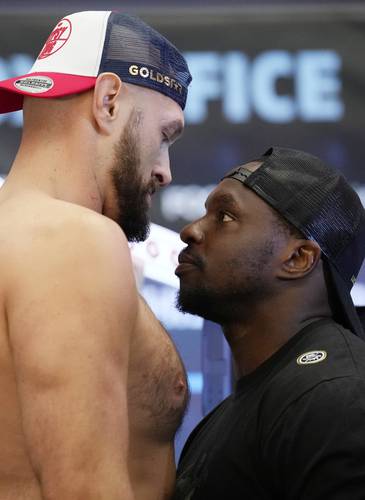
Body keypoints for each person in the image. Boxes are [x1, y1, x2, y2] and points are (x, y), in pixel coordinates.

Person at [0, 11, 191, 500]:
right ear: (108, 101)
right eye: (166, 135)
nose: (165, 171)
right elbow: (84, 489)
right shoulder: (71, 242)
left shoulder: (23, 232)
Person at [173, 146, 365, 499]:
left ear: (297, 257)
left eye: (225, 216)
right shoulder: (229, 416)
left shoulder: (337, 395)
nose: (190, 231)